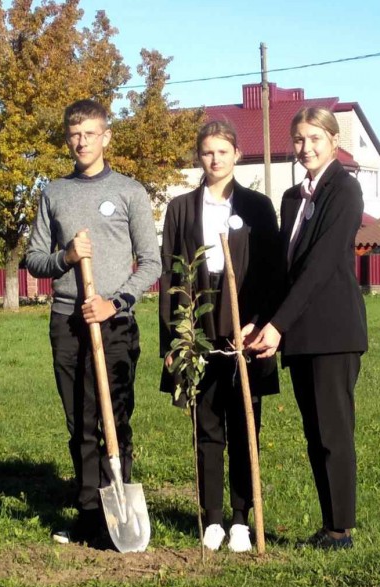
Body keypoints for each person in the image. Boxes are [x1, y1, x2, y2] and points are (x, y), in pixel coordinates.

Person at [26, 99, 161, 546]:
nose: (80, 141)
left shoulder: (129, 191)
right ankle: (88, 511)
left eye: (89, 133)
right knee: (79, 421)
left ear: (106, 136)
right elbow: (33, 259)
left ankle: (115, 505)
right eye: (74, 133)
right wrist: (65, 258)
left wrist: (116, 302)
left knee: (114, 419)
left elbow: (152, 262)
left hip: (114, 322)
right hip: (67, 320)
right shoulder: (53, 193)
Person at [247, 107, 368, 550]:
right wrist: (261, 319)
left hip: (334, 332)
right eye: (299, 139)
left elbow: (320, 266)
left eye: (315, 138)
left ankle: (341, 530)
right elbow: (284, 270)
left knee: (334, 432)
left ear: (333, 140)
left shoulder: (346, 190)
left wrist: (277, 325)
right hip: (298, 332)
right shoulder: (292, 199)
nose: (306, 148)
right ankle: (329, 524)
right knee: (314, 432)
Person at [159, 120, 281, 553]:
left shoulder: (258, 207)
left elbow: (271, 273)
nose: (215, 160)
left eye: (223, 152)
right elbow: (172, 276)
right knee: (206, 425)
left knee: (246, 425)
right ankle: (212, 517)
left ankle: (241, 518)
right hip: (199, 326)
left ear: (237, 155)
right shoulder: (180, 209)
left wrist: (262, 321)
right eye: (208, 152)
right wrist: (174, 343)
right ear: (199, 157)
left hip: (245, 324)